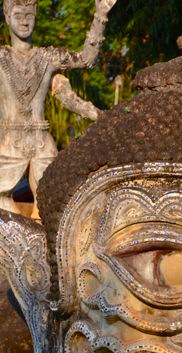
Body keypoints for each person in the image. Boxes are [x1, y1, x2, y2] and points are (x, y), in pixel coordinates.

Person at [0, 0, 117, 217]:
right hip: (8, 144)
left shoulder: (48, 57)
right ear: (7, 18)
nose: (24, 22)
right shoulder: (1, 58)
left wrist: (100, 16)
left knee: (52, 202)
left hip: (42, 144)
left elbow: (86, 59)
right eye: (18, 16)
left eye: (29, 16)